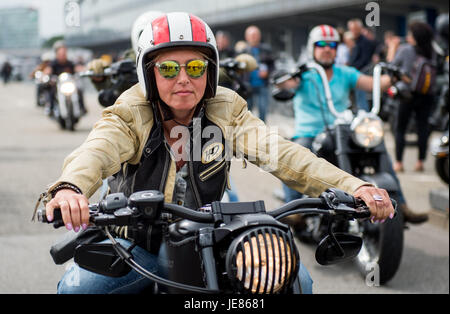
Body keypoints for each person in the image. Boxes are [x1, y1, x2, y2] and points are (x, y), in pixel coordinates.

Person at [39, 13, 395, 294]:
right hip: (136, 244)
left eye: (195, 67)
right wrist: (70, 187)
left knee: (295, 280)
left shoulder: (226, 108)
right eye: (167, 67)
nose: (183, 78)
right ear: (149, 73)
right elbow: (97, 150)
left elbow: (283, 155)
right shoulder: (130, 112)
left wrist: (354, 186)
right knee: (79, 289)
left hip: (209, 235)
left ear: (210, 72)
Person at [277, 24, 428, 224]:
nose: (327, 48)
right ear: (312, 47)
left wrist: (393, 77)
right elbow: (284, 83)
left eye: (332, 44)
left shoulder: (345, 72)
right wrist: (287, 79)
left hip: (341, 129)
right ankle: (292, 209)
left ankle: (400, 203)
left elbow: (373, 83)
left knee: (376, 144)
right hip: (310, 131)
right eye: (321, 44)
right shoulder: (305, 74)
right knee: (295, 153)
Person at [387, 21, 436, 173]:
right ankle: (420, 162)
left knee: (400, 128)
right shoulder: (431, 51)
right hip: (426, 94)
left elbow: (391, 66)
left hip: (406, 93)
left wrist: (392, 47)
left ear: (415, 36)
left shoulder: (405, 49)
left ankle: (399, 163)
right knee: (423, 128)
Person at [44, 40, 86, 116]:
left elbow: (77, 68)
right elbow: (48, 70)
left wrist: (85, 70)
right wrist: (46, 75)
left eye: (64, 54)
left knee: (79, 90)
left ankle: (82, 108)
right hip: (58, 85)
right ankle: (51, 108)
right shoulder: (53, 63)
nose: (63, 55)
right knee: (52, 91)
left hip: (69, 84)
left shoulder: (70, 63)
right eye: (61, 54)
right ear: (57, 54)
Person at [243, 25, 275, 122]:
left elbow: (273, 66)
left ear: (259, 36)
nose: (253, 37)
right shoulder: (243, 52)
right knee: (247, 112)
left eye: (255, 35)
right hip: (248, 86)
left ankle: (262, 133)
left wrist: (268, 73)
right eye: (251, 35)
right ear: (247, 37)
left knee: (263, 111)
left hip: (263, 85)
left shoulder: (266, 50)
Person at [347, 18, 377, 111]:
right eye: (351, 29)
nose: (353, 31)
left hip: (361, 73)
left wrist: (351, 69)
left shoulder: (365, 42)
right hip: (355, 72)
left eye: (355, 29)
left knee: (361, 97)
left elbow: (364, 60)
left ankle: (364, 114)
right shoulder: (356, 41)